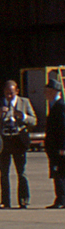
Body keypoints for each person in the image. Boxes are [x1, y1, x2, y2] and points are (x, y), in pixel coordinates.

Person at [0, 80, 36, 208]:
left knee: (21, 172)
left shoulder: (24, 102)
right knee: (4, 173)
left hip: (18, 140)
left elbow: (34, 120)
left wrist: (23, 117)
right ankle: (5, 201)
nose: (9, 96)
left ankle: (23, 200)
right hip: (4, 140)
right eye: (7, 93)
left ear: (17, 91)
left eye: (12, 93)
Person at [45, 78, 65, 208]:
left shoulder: (61, 106)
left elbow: (63, 128)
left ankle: (61, 199)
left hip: (59, 148)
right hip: (53, 147)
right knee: (57, 173)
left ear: (54, 91)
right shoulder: (54, 105)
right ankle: (60, 198)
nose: (45, 94)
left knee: (60, 173)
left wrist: (63, 147)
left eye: (47, 91)